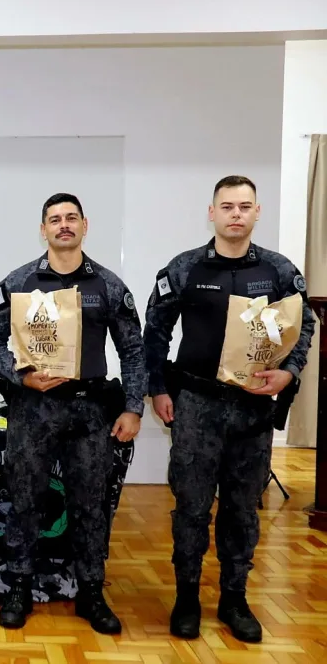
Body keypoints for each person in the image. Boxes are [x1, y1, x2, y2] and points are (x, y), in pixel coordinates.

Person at [144, 175, 315, 643]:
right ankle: (186, 597)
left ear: (257, 212)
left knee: (242, 510)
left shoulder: (278, 271)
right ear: (212, 213)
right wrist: (157, 389)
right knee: (191, 508)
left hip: (251, 410)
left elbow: (304, 325)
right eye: (227, 206)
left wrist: (289, 372)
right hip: (196, 405)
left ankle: (234, 599)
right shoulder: (184, 268)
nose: (235, 214)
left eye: (244, 206)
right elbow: (155, 331)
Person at [0, 193, 145, 634]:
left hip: (90, 412)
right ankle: (18, 586)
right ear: (43, 229)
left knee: (90, 504)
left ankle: (90, 591)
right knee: (24, 500)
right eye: (55, 219)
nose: (64, 225)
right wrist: (21, 376)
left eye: (72, 218)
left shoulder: (107, 285)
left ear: (85, 226)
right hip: (33, 409)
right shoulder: (19, 282)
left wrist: (133, 407)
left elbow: (133, 350)